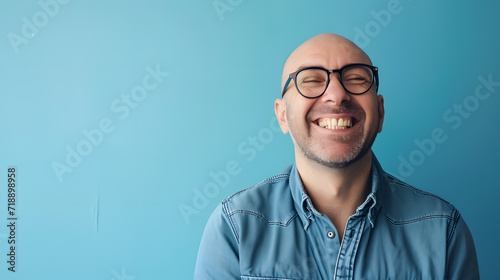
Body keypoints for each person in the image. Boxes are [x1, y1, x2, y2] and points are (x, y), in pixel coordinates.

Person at [194, 33, 479, 279]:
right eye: (312, 80)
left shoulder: (443, 231)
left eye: (356, 78)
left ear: (380, 113)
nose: (336, 94)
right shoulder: (235, 228)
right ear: (282, 116)